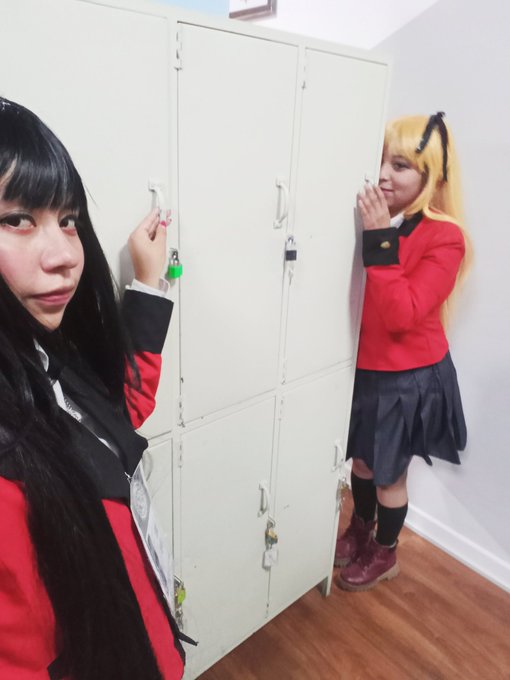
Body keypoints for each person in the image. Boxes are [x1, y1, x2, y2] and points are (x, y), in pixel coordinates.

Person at [0, 97, 185, 678]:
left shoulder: (39, 354)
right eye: (16, 219)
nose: (65, 256)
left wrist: (149, 284)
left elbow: (113, 414)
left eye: (69, 219)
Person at [335, 112, 471, 592]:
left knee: (388, 475)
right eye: (382, 160)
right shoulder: (381, 218)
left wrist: (378, 236)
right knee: (360, 462)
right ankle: (361, 527)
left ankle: (385, 551)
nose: (383, 175)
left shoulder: (446, 236)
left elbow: (401, 313)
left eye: (400, 165)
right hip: (367, 367)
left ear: (432, 177)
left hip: (408, 376)